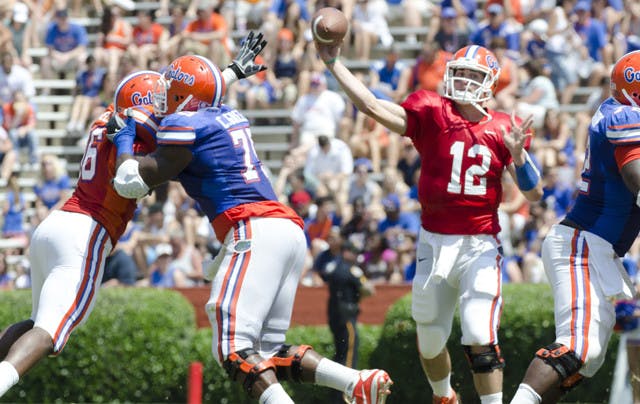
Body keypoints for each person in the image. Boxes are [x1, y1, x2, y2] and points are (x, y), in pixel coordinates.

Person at [109, 50, 393, 404]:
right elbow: (203, 98)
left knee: (231, 347)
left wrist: (124, 140)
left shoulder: (183, 124)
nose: (162, 97)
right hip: (285, 230)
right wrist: (227, 73)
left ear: (184, 96)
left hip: (253, 228)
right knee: (269, 351)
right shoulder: (225, 115)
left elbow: (131, 183)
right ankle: (355, 381)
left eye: (169, 89)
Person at [0, 32, 266, 399]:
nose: (164, 101)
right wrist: (227, 76)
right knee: (49, 334)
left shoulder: (105, 120)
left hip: (55, 223)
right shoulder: (139, 129)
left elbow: (183, 102)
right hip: (87, 232)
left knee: (36, 325)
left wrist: (230, 73)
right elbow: (182, 118)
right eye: (157, 97)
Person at [315, 39, 543, 403]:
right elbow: (371, 105)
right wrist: (334, 64)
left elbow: (534, 194)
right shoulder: (433, 110)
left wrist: (520, 157)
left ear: (489, 83)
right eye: (460, 73)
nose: (464, 81)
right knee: (431, 339)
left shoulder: (504, 127)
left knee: (479, 334)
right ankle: (444, 396)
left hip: (479, 244)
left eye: (473, 75)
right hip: (433, 242)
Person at [509, 50, 640, 404]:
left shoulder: (616, 111)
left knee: (589, 358)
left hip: (596, 248)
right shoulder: (624, 115)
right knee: (577, 344)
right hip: (580, 244)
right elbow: (636, 178)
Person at [321, 240, 375, 404]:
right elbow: (369, 290)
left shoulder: (333, 267)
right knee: (349, 355)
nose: (356, 255)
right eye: (354, 252)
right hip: (347, 316)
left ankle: (336, 395)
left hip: (334, 316)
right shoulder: (352, 270)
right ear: (347, 252)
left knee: (340, 354)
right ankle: (346, 395)